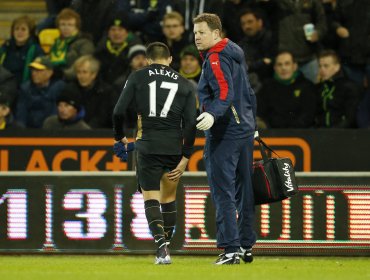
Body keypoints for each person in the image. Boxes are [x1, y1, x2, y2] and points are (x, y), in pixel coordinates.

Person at [112, 42, 197, 264]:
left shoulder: (138, 77)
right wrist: (186, 156)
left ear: (148, 60)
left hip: (147, 145)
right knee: (168, 197)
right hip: (173, 147)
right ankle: (166, 246)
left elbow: (118, 111)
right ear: (170, 60)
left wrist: (119, 137)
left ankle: (161, 249)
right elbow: (190, 124)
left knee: (151, 197)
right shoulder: (185, 83)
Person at [193, 13, 257, 265]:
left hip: (226, 132)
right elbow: (248, 91)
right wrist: (253, 123)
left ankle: (230, 250)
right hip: (244, 129)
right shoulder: (234, 52)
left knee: (223, 192)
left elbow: (225, 92)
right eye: (195, 33)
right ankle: (245, 245)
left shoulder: (216, 57)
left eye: (202, 32)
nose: (197, 37)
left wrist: (212, 113)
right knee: (245, 190)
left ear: (216, 34)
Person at [257, 51, 317, 128]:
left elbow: (308, 115)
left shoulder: (307, 87)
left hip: (301, 134)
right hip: (272, 134)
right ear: (274, 68)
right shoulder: (267, 87)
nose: (283, 68)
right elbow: (261, 112)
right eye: (279, 64)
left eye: (287, 64)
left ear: (295, 66)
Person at [66, 55, 116, 128]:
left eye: (84, 72)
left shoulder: (106, 91)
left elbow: (102, 117)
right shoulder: (70, 90)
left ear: (94, 74)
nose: (81, 76)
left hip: (99, 134)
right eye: (78, 72)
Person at [16, 56, 65, 128]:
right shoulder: (25, 89)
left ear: (49, 73)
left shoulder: (58, 89)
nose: (34, 73)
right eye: (33, 70)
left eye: (38, 70)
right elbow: (21, 115)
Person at [316, 49, 361, 128]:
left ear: (337, 67)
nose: (322, 69)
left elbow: (350, 117)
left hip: (342, 134)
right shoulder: (319, 87)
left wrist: (335, 132)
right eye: (320, 66)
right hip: (320, 132)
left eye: (326, 66)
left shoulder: (349, 87)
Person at [94, 14, 142, 85]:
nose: (116, 33)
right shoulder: (100, 51)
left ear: (127, 33)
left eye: (120, 29)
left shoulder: (135, 52)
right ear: (108, 33)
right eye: (113, 29)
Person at [49, 8, 95, 78]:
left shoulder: (85, 43)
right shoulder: (56, 43)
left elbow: (83, 66)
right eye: (63, 24)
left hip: (72, 79)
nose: (66, 28)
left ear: (77, 27)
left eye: (70, 25)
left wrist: (63, 74)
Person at [0, 15, 44, 84]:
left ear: (30, 33)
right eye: (17, 29)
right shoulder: (5, 47)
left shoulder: (36, 50)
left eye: (23, 29)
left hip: (25, 88)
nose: (19, 32)